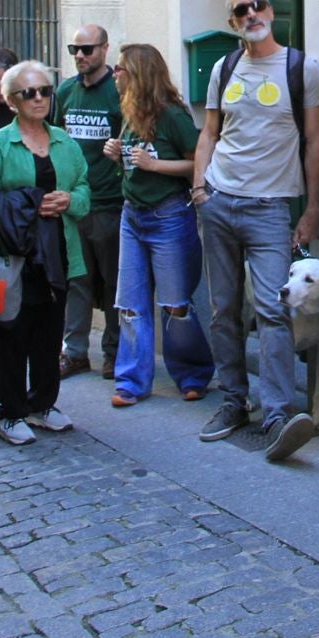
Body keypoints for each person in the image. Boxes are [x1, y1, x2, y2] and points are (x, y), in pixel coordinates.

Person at [191, 0, 319, 462]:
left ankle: (278, 415)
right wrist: (200, 188)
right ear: (232, 22)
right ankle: (232, 401)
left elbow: (314, 141)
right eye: (241, 10)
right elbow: (209, 133)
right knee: (224, 308)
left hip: (270, 208)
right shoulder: (224, 67)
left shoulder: (300, 67)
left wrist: (311, 208)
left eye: (258, 5)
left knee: (272, 309)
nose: (251, 14)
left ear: (271, 9)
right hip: (219, 203)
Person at [0, 60, 88, 445]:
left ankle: (42, 403)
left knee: (50, 334)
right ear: (11, 101)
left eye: (45, 91)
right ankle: (11, 411)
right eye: (29, 93)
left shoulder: (64, 143)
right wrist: (28, 205)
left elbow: (86, 190)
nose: (39, 99)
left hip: (58, 253)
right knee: (12, 334)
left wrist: (69, 199)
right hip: (15, 257)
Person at [102, 43, 214, 408]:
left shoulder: (172, 116)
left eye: (120, 69)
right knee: (131, 304)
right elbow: (136, 164)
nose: (114, 74)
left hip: (168, 216)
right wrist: (120, 157)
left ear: (139, 75)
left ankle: (193, 375)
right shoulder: (129, 112)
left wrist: (155, 167)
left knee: (175, 305)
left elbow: (198, 161)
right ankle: (131, 382)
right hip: (133, 215)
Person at [55, 25, 124, 380]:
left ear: (105, 49)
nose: (80, 56)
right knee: (77, 280)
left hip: (109, 203)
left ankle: (113, 352)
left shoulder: (118, 91)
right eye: (74, 50)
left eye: (87, 49)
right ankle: (75, 351)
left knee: (113, 282)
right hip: (72, 206)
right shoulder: (65, 91)